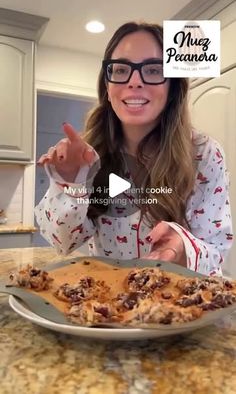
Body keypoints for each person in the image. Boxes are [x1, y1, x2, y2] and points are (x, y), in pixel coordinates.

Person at [35, 21, 233, 276]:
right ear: (107, 86)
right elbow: (63, 243)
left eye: (152, 70)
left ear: (172, 87)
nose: (135, 81)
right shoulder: (87, 156)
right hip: (109, 307)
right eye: (120, 69)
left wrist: (183, 247)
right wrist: (70, 186)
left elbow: (216, 251)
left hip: (181, 308)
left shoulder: (204, 154)